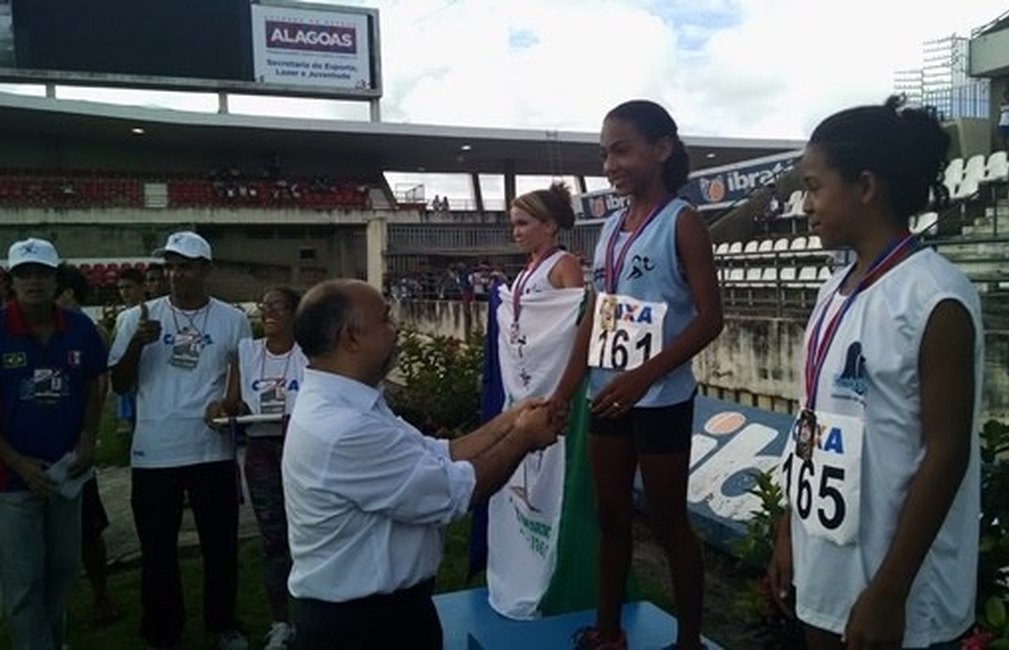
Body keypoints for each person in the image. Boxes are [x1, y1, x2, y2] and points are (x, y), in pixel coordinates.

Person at [767, 96, 983, 650]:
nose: (805, 204)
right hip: (827, 556)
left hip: (896, 579)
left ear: (866, 186)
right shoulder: (832, 292)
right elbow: (813, 420)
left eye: (815, 187)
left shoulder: (935, 297)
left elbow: (947, 452)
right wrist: (790, 528)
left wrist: (889, 590)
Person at [282, 279, 561, 649]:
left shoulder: (351, 405)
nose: (395, 329)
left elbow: (439, 454)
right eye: (385, 320)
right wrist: (524, 437)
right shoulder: (343, 429)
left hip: (384, 615)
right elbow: (455, 492)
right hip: (365, 629)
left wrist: (510, 420)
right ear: (351, 338)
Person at [552, 99, 724, 650]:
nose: (610, 164)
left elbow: (710, 318)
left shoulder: (683, 222)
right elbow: (598, 315)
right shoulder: (608, 228)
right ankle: (608, 630)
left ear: (662, 148)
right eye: (604, 154)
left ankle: (689, 641)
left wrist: (643, 376)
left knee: (670, 522)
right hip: (609, 394)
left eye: (621, 150)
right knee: (610, 515)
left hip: (660, 399)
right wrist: (565, 390)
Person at [108, 231, 252, 650]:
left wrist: (228, 404)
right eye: (169, 266)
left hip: (212, 449)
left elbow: (240, 379)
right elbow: (120, 385)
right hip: (154, 452)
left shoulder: (232, 319)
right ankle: (162, 631)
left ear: (206, 270)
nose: (175, 274)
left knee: (221, 547)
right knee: (157, 551)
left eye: (185, 266)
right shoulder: (136, 317)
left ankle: (222, 623)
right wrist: (137, 343)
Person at [0, 239, 107, 649]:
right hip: (12, 481)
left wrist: (87, 437)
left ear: (55, 279)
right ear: (11, 281)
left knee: (63, 571)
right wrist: (19, 464)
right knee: (24, 582)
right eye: (24, 274)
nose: (34, 282)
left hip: (66, 472)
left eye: (42, 274)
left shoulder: (77, 327)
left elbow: (97, 380)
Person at [486, 183, 586, 619]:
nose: (517, 232)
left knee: (554, 486)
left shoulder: (564, 265)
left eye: (524, 223)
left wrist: (561, 390)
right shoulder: (529, 268)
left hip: (555, 392)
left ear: (550, 225)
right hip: (525, 392)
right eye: (513, 224)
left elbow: (576, 324)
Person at [206, 288, 307, 650]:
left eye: (278, 306)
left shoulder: (308, 352)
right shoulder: (248, 352)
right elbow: (233, 403)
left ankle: (317, 615)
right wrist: (219, 409)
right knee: (274, 540)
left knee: (312, 533)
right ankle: (281, 622)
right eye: (264, 307)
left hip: (302, 448)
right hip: (263, 450)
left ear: (296, 313)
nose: (268, 313)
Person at [55, 263, 122, 627]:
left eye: (59, 289)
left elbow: (100, 386)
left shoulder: (89, 331)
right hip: (31, 451)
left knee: (88, 529)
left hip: (75, 448)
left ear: (70, 293)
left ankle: (100, 595)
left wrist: (87, 435)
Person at [113, 267, 146, 438]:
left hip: (145, 372)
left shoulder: (150, 311)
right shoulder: (122, 316)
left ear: (142, 287)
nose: (124, 292)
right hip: (126, 371)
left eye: (129, 287)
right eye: (121, 288)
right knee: (132, 419)